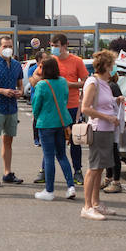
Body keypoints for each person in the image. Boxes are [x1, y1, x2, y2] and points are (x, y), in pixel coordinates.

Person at [30, 34, 88, 185]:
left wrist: (69, 85)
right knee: (49, 143)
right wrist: (44, 84)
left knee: (74, 141)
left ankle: (78, 171)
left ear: (65, 45)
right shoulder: (50, 61)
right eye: (52, 45)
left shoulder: (77, 61)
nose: (54, 48)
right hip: (52, 109)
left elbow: (86, 82)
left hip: (71, 107)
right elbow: (34, 77)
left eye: (56, 45)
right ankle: (44, 171)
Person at [79, 50, 122, 220]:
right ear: (105, 65)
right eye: (112, 64)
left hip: (107, 131)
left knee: (100, 168)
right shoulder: (93, 82)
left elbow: (103, 104)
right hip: (98, 130)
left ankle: (95, 203)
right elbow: (86, 108)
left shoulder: (105, 83)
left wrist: (116, 101)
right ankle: (87, 206)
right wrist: (108, 117)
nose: (113, 67)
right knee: (93, 168)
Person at [30, 56, 76, 201]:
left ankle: (49, 190)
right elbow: (65, 99)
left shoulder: (42, 85)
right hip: (61, 123)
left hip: (46, 123)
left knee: (49, 157)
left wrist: (37, 116)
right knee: (62, 155)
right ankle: (71, 186)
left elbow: (36, 106)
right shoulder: (62, 82)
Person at [0, 36, 26, 187]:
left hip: (12, 108)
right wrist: (2, 91)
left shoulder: (16, 65)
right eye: (5, 46)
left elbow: (20, 84)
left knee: (8, 141)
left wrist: (20, 92)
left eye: (10, 46)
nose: (8, 48)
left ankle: (7, 172)